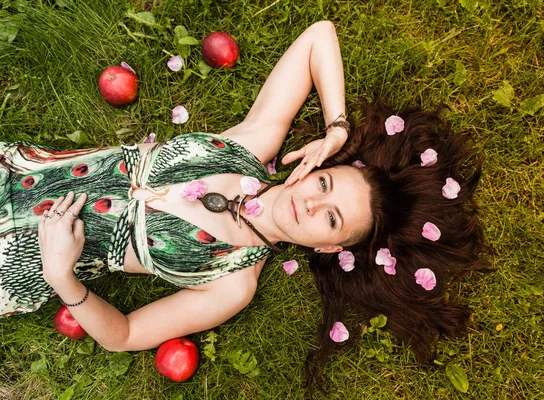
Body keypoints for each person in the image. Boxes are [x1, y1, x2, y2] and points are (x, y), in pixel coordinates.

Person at [0, 20, 484, 377]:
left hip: (14, 257)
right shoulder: (251, 147)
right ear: (312, 170)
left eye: (331, 220)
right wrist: (337, 131)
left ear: (328, 249)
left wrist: (60, 276)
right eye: (324, 184)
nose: (312, 205)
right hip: (17, 169)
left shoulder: (233, 283)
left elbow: (121, 335)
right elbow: (320, 36)